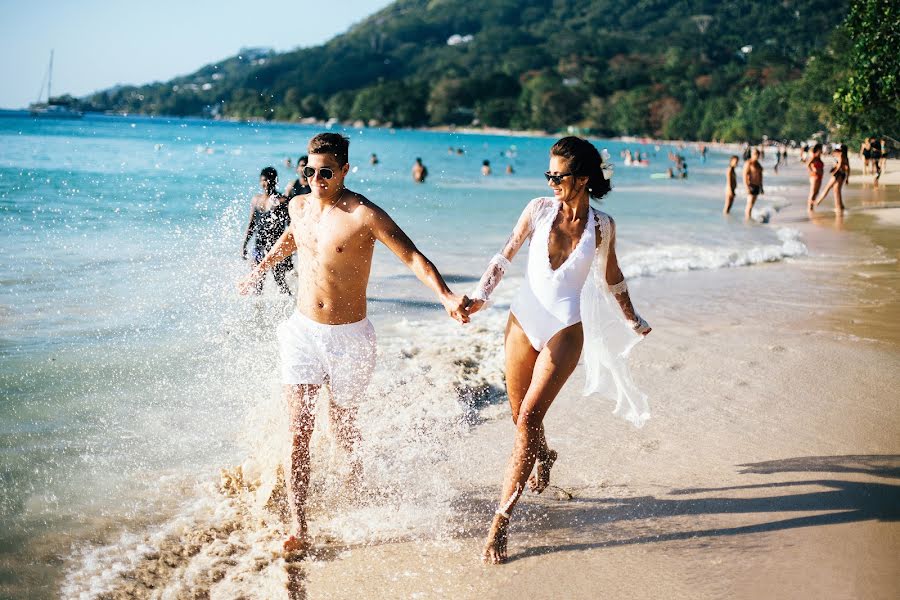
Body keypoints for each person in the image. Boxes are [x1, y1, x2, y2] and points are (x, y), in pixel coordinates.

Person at [237, 133, 469, 557]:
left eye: (326, 172)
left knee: (343, 429)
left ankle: (355, 491)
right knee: (299, 432)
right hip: (302, 332)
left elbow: (412, 256)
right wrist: (261, 269)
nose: (317, 179)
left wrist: (446, 296)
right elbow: (294, 237)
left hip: (350, 339)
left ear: (344, 170)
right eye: (309, 171)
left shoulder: (363, 214)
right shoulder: (298, 205)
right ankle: (298, 524)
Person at [465, 137, 651, 565]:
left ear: (582, 178)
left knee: (529, 417)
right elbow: (506, 253)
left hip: (564, 330)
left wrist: (631, 317)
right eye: (547, 174)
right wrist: (479, 297)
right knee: (520, 419)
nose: (551, 182)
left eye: (558, 175)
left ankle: (500, 523)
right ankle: (544, 454)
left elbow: (612, 274)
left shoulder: (602, 226)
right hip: (521, 320)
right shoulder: (537, 210)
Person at [241, 167, 293, 295]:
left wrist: (291, 250)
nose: (267, 183)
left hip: (276, 246)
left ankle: (291, 306)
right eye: (264, 180)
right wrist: (244, 244)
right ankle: (258, 312)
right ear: (260, 181)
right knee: (257, 281)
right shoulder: (256, 199)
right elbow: (251, 224)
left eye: (270, 180)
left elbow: (291, 226)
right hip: (259, 245)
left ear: (276, 181)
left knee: (279, 280)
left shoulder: (282, 201)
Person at [815, 144, 850, 213]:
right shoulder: (846, 157)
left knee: (828, 188)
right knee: (836, 191)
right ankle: (840, 206)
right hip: (842, 175)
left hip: (838, 174)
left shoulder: (841, 156)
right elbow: (848, 168)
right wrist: (847, 178)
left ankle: (817, 202)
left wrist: (834, 172)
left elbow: (840, 165)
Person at [743, 148, 764, 220]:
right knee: (749, 203)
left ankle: (749, 217)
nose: (757, 155)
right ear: (751, 154)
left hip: (757, 186)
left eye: (758, 154)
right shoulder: (748, 163)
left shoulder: (758, 164)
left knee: (752, 204)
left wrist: (761, 187)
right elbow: (744, 175)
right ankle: (747, 219)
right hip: (751, 185)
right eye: (755, 154)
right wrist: (746, 187)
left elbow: (760, 176)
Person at [806, 144, 824, 211]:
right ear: (818, 149)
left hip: (819, 176)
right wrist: (812, 171)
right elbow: (808, 164)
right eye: (821, 149)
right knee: (813, 192)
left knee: (816, 192)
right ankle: (810, 207)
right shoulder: (814, 157)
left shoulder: (819, 157)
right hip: (814, 176)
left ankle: (811, 207)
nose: (822, 150)